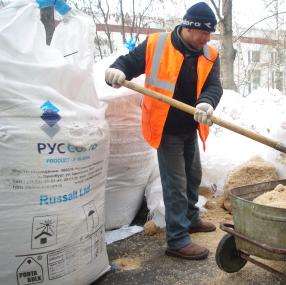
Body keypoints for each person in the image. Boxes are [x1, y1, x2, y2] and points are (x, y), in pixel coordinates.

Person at [105, 2, 223, 260]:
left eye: (209, 34)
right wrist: (117, 71)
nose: (206, 39)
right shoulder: (156, 44)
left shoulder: (209, 54)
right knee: (175, 185)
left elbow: (214, 85)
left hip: (191, 125)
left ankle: (191, 219)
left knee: (193, 177)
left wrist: (206, 102)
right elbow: (129, 62)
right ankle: (178, 240)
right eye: (202, 33)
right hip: (165, 126)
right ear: (188, 27)